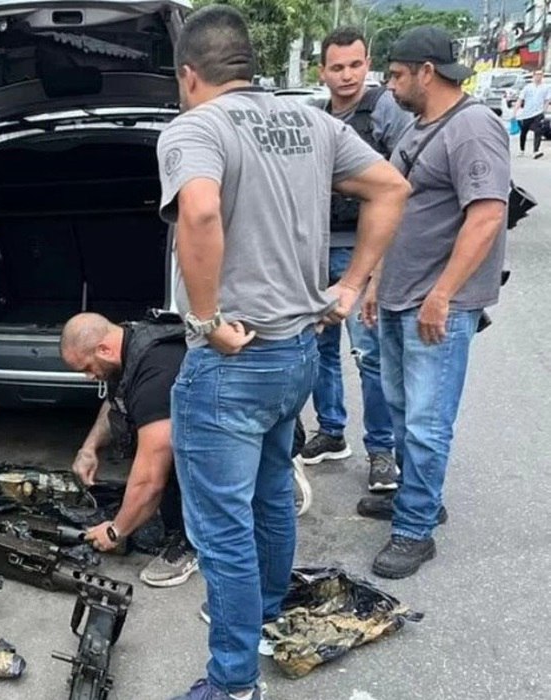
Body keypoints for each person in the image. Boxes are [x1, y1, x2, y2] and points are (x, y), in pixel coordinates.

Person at [155, 7, 410, 699]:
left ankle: (234, 682)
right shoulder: (312, 122)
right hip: (297, 350)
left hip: (233, 362)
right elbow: (391, 187)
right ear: (247, 63)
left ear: (189, 74)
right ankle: (265, 612)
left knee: (221, 529)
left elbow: (199, 212)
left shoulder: (194, 128)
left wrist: (205, 319)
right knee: (270, 492)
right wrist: (351, 287)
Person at [357, 27, 510, 579]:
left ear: (427, 71)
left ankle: (415, 528)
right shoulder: (418, 127)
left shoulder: (472, 128)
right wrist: (375, 280)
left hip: (436, 303)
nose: (390, 85)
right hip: (400, 295)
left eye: (397, 74)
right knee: (402, 410)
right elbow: (398, 211)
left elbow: (487, 215)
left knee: (426, 422)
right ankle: (418, 497)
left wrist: (442, 295)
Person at [301, 27, 413, 493]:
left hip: (363, 250)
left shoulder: (385, 110)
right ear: (322, 72)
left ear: (368, 65)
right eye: (337, 67)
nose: (347, 75)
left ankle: (382, 450)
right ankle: (331, 430)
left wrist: (381, 261)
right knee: (319, 348)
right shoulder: (317, 117)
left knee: (369, 353)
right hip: (318, 247)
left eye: (355, 65)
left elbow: (403, 181)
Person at [60, 312, 197, 588]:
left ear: (104, 350)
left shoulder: (156, 374)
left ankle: (191, 542)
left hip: (227, 439)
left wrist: (115, 531)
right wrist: (89, 448)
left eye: (87, 368)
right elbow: (118, 400)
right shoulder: (127, 345)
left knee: (169, 465)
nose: (89, 376)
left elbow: (150, 479)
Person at [513, 69, 550, 159]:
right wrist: (515, 111)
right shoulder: (528, 87)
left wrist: (544, 110)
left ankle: (536, 151)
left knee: (538, 131)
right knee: (524, 131)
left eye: (540, 75)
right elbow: (520, 99)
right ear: (533, 76)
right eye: (537, 74)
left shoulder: (546, 87)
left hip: (538, 113)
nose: (539, 76)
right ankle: (522, 149)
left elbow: (547, 100)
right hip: (527, 113)